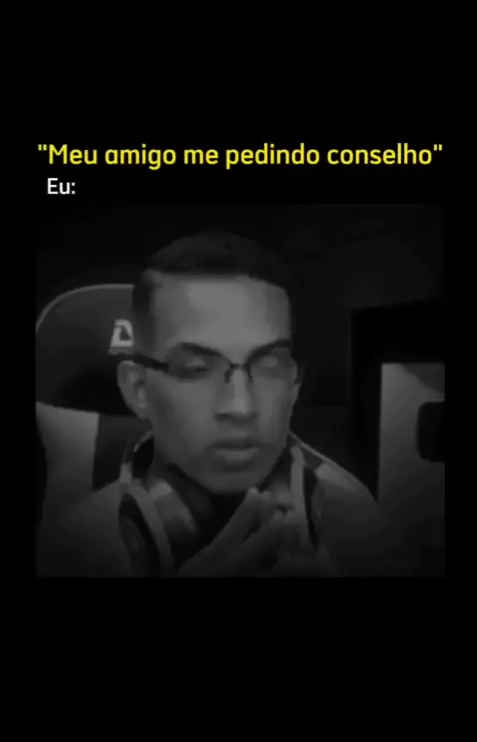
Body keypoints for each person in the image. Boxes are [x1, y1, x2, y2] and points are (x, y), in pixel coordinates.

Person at [37, 232, 411, 577]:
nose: (241, 407)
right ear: (138, 389)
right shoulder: (69, 554)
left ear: (296, 383)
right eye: (197, 369)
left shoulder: (364, 535)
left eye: (269, 366)